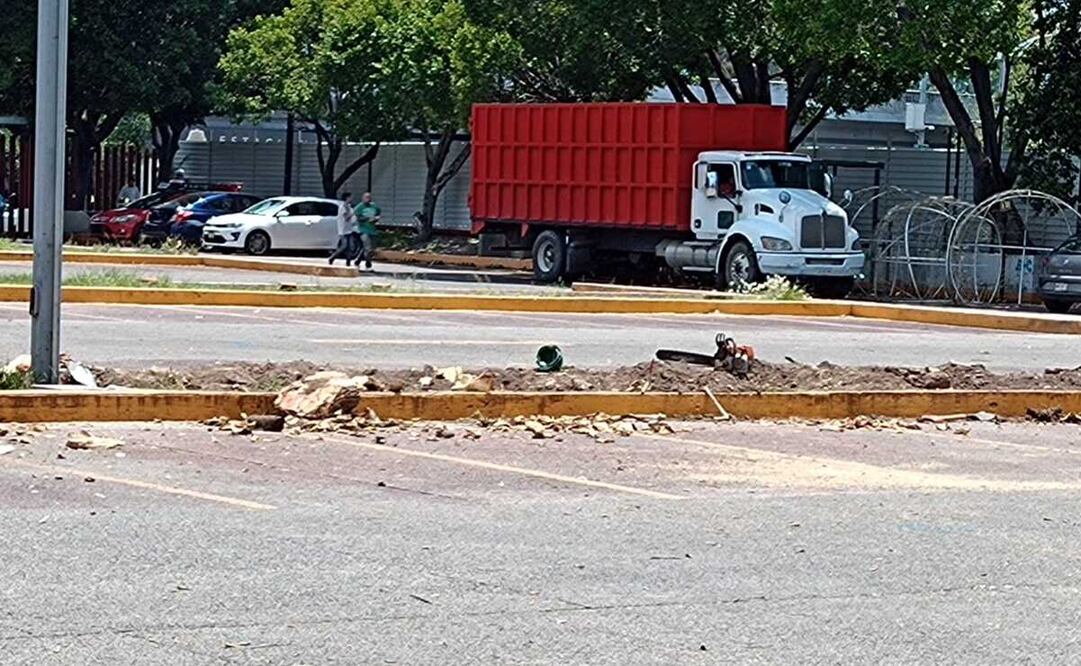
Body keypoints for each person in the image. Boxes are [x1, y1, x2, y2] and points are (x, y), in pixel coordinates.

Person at [353, 192, 381, 271]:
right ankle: (368, 265)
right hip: (363, 230)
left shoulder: (374, 206)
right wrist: (367, 219)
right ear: (363, 198)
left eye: (369, 197)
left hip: (372, 230)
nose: (368, 199)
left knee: (370, 249)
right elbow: (358, 218)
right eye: (366, 198)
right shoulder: (360, 207)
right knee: (368, 248)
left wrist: (376, 218)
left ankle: (357, 262)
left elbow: (378, 213)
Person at [329, 193, 358, 266]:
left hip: (349, 229)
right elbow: (346, 218)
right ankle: (333, 257)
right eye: (350, 197)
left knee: (350, 247)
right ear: (347, 198)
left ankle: (348, 261)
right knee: (344, 246)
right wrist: (353, 213)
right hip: (343, 230)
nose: (351, 199)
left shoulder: (349, 207)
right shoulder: (342, 207)